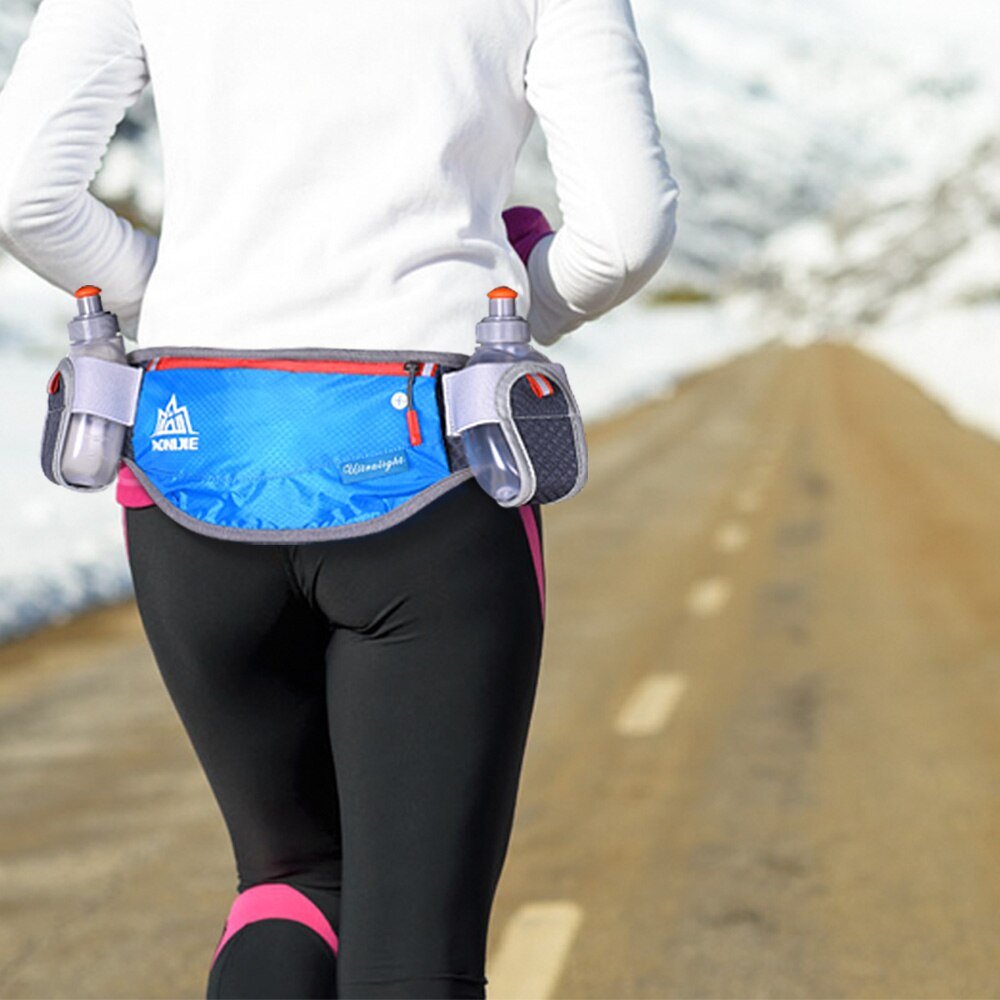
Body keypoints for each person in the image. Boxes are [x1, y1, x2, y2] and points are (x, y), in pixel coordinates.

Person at [0, 0, 679, 996]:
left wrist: (176, 297)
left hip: (192, 458)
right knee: (413, 951)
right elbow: (625, 234)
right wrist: (515, 299)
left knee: (288, 882)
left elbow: (23, 197)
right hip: (431, 462)